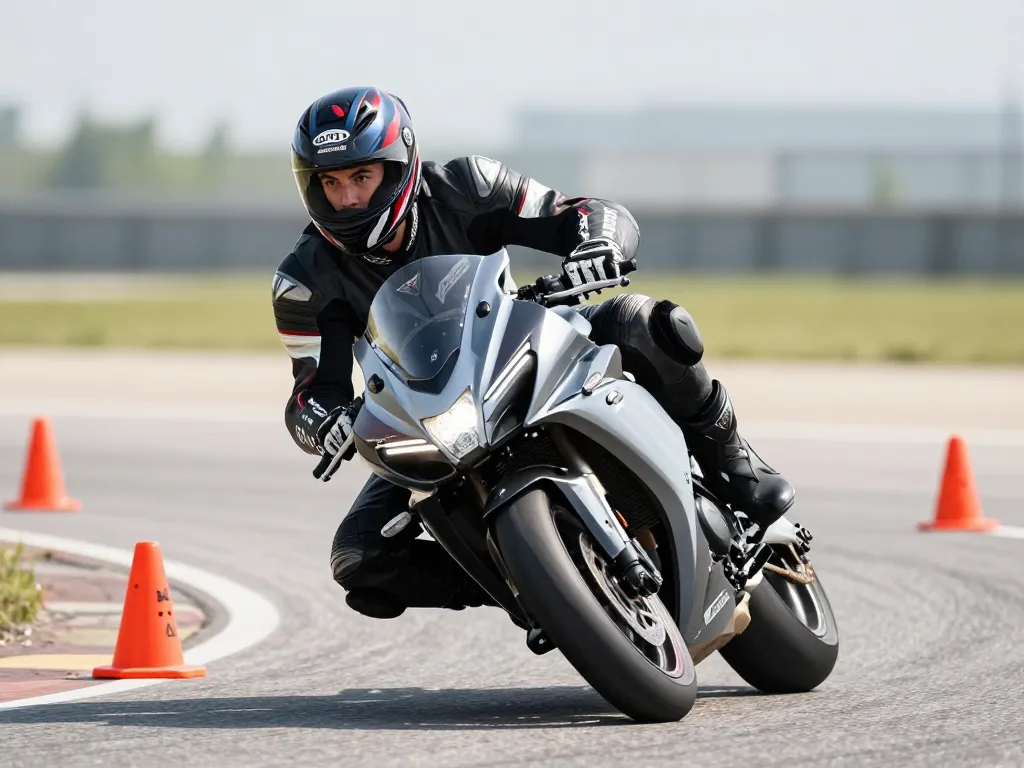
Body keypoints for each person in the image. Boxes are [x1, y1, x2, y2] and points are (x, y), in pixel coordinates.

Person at [272, 86, 794, 620]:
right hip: (425, 415)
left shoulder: (466, 186)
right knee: (360, 557)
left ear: (400, 164)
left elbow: (586, 212)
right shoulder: (303, 281)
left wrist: (598, 246)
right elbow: (310, 392)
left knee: (644, 322)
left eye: (362, 177)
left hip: (520, 341)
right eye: (331, 183)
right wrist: (324, 421)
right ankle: (529, 582)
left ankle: (734, 463)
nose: (348, 199)